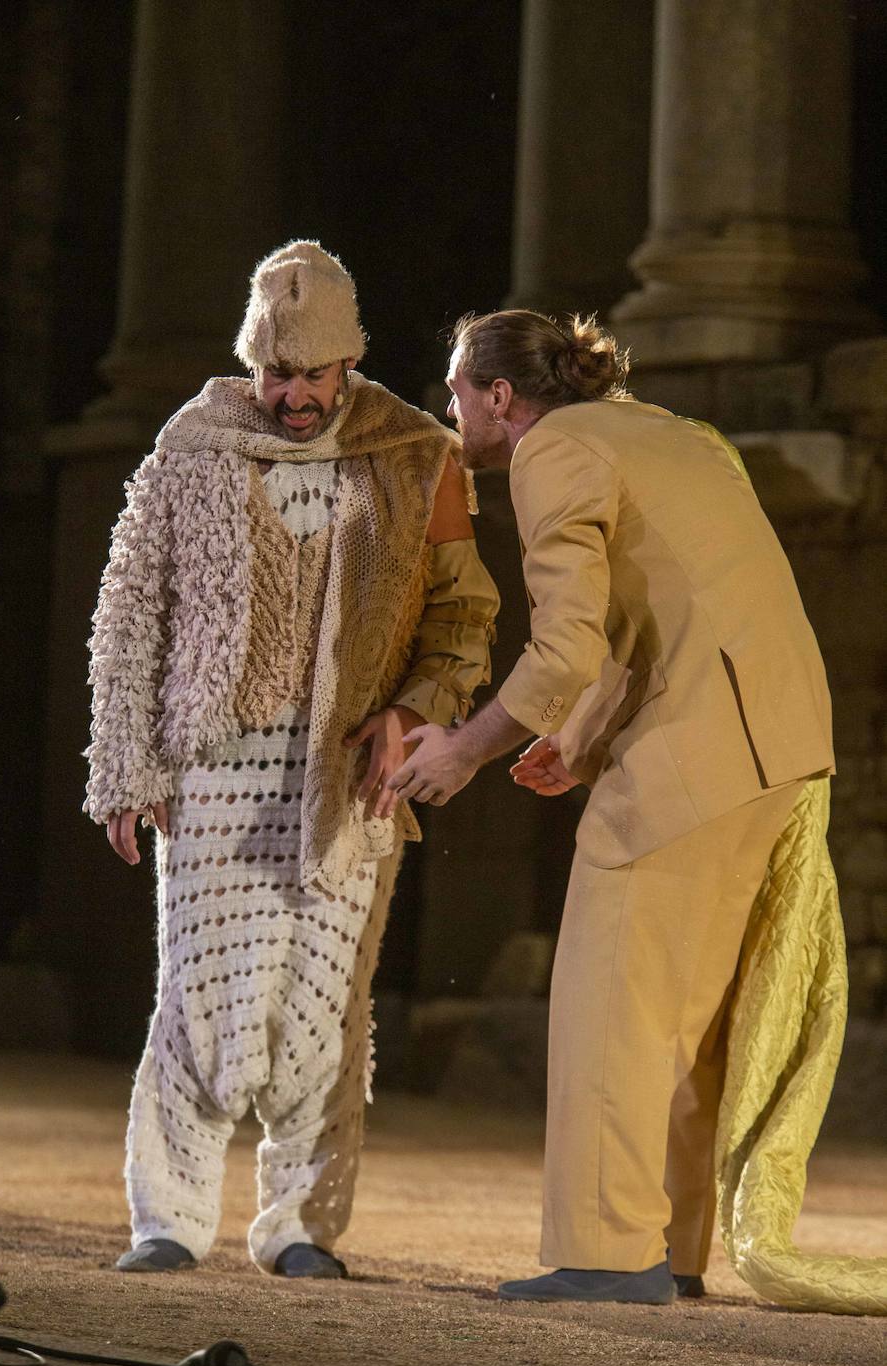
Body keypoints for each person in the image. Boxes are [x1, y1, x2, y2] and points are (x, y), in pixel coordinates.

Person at [388, 308, 834, 1304]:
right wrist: (577, 743)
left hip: (702, 749)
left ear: (502, 399)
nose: (449, 405)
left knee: (611, 999)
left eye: (458, 388)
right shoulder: (662, 430)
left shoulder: (554, 453)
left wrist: (464, 747)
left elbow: (567, 645)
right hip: (777, 740)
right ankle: (668, 1250)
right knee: (685, 1016)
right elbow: (671, 608)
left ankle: (606, 1254)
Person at [84, 241, 499, 1279]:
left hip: (347, 768)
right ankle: (168, 1223)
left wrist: (415, 712)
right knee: (200, 993)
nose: (294, 395)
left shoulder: (414, 452)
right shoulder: (196, 441)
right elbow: (130, 610)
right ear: (253, 365)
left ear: (348, 365)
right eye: (278, 374)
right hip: (213, 761)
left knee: (323, 1002)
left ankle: (302, 1228)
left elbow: (464, 615)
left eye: (314, 375)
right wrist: (123, 764)